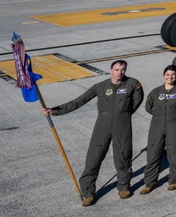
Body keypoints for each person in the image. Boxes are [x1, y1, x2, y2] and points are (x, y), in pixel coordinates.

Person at [42, 60, 144, 206]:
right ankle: (88, 192)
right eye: (116, 69)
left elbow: (137, 101)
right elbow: (78, 101)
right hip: (102, 126)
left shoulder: (133, 84)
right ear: (110, 70)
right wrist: (55, 110)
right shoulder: (100, 87)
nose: (119, 72)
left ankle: (123, 187)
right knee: (93, 158)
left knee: (123, 157)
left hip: (122, 126)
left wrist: (124, 115)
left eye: (122, 69)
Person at [141, 65, 176, 194]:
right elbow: (148, 107)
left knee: (175, 152)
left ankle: (174, 179)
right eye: (167, 74)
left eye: (173, 75)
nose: (170, 77)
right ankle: (150, 182)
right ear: (163, 75)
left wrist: (175, 113)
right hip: (157, 125)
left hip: (175, 124)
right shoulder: (156, 92)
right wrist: (160, 114)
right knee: (153, 153)